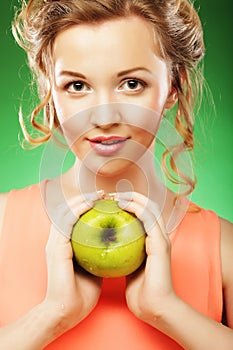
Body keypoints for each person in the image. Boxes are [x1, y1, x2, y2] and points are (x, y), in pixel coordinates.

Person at [0, 0, 233, 349]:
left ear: (173, 86)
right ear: (51, 93)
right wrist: (53, 314)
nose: (104, 116)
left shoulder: (223, 247)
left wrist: (167, 311)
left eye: (132, 83)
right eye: (77, 86)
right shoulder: (2, 223)